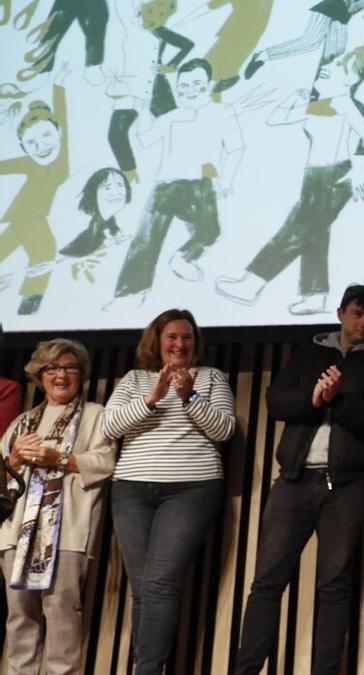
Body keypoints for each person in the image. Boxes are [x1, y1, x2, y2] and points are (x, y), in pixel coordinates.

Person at [234, 283, 364, 675]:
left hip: (349, 487)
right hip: (295, 481)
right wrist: (314, 399)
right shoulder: (309, 352)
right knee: (266, 582)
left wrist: (338, 398)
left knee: (334, 588)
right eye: (357, 314)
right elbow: (276, 402)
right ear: (340, 314)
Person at [102, 309, 235, 674]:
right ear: (157, 342)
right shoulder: (135, 379)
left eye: (187, 336)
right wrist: (152, 397)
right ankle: (145, 667)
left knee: (160, 582)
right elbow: (108, 427)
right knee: (143, 587)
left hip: (191, 489)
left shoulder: (210, 378)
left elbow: (224, 430)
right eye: (172, 337)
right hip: (131, 490)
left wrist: (190, 397)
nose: (180, 343)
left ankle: (145, 669)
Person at [216, 51, 364, 315]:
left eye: (339, 65)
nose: (327, 66)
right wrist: (294, 98)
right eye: (329, 62)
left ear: (350, 79)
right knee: (314, 234)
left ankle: (253, 282)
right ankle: (315, 295)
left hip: (334, 177)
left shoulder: (345, 104)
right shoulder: (322, 104)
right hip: (314, 177)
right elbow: (277, 118)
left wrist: (360, 171)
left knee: (295, 230)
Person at [1, 339, 115, 675]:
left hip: (66, 534)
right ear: (39, 375)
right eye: (51, 368)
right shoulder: (22, 422)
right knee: (20, 620)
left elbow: (105, 462)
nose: (60, 374)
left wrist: (60, 458)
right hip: (16, 535)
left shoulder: (95, 414)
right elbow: (2, 474)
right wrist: (15, 458)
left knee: (63, 616)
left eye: (69, 367)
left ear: (82, 374)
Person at [107, 58, 245, 310]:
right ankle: (129, 293)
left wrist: (226, 179)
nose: (189, 90)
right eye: (183, 87)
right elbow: (146, 139)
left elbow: (236, 147)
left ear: (210, 83)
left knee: (210, 231)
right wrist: (141, 112)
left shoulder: (222, 111)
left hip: (200, 185)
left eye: (196, 84)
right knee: (147, 239)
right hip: (167, 185)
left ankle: (183, 257)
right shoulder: (172, 117)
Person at [0, 66, 71, 315]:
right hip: (28, 214)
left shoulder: (61, 158)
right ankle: (29, 308)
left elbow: (61, 116)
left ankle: (27, 310)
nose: (41, 146)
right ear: (23, 146)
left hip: (25, 216)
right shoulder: (30, 162)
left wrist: (58, 86)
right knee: (44, 252)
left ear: (58, 133)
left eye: (46, 135)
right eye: (31, 143)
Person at [59, 167, 132, 258]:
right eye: (107, 187)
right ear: (94, 193)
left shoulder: (110, 220)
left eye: (120, 185)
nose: (116, 192)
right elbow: (89, 250)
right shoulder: (96, 225)